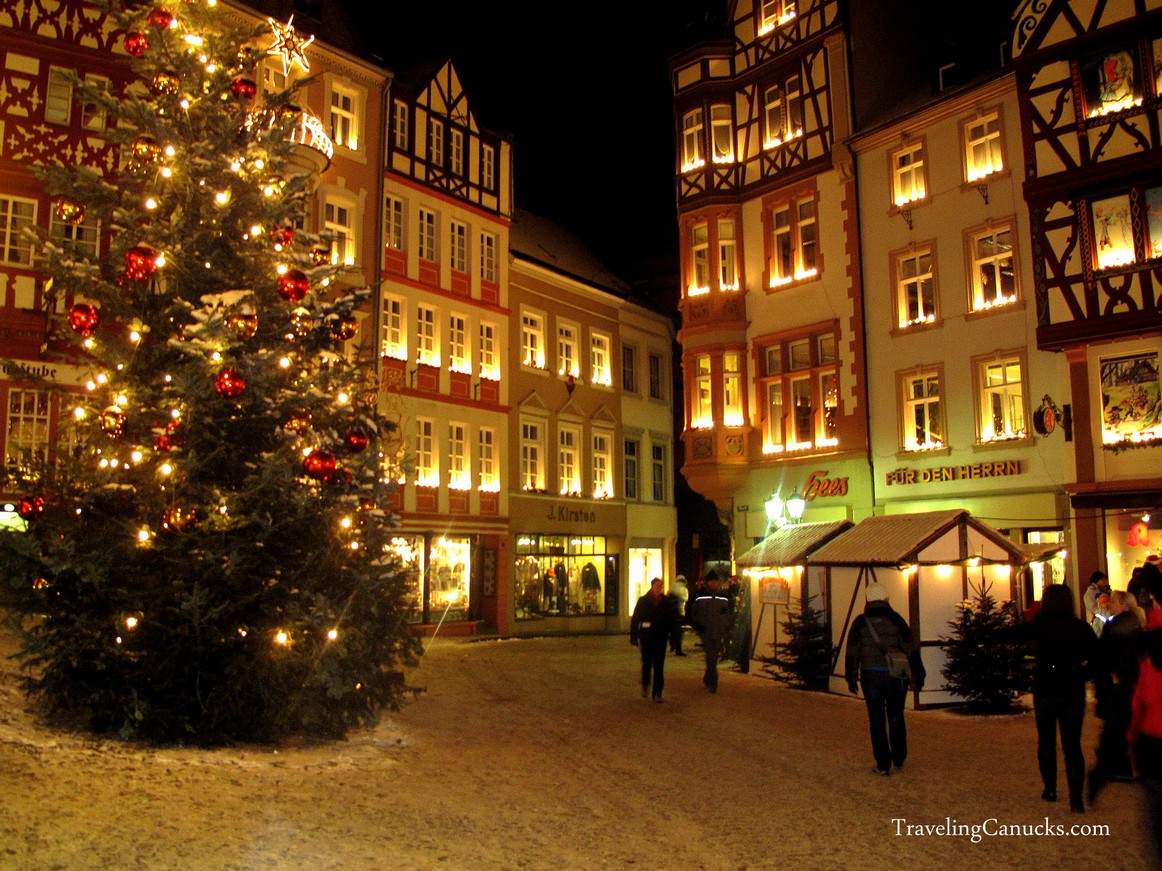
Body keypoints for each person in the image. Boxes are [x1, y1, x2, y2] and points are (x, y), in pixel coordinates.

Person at [1003, 583, 1098, 812]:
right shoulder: (1080, 628)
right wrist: (1081, 674)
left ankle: (1050, 788)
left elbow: (1013, 635)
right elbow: (1098, 658)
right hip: (1072, 688)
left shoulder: (1041, 626)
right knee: (1072, 744)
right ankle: (1076, 797)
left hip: (1045, 686)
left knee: (1046, 740)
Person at [844, 582, 925, 776]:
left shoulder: (860, 622)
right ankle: (898, 757)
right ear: (886, 598)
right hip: (895, 676)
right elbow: (910, 647)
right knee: (896, 715)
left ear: (868, 599)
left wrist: (851, 677)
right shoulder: (896, 619)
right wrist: (918, 673)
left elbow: (852, 652)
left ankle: (882, 763)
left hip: (870, 676)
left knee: (876, 719)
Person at [1088, 589, 1145, 805]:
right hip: (1128, 683)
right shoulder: (1135, 624)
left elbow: (1105, 656)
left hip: (1119, 684)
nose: (1109, 603)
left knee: (1117, 725)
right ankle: (1125, 765)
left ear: (1124, 605)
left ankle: (1113, 767)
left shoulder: (1118, 626)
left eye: (1113, 601)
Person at [1128, 595, 1162, 865]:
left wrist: (1131, 742)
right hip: (1152, 744)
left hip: (1154, 744)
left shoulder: (1148, 668)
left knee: (1157, 811)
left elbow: (1138, 707)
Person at [629, 577, 680, 702]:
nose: (659, 588)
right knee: (646, 663)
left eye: (661, 586)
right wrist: (634, 636)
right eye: (657, 585)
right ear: (652, 586)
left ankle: (657, 691)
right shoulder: (643, 601)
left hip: (660, 637)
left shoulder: (665, 602)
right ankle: (646, 683)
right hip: (646, 637)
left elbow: (672, 621)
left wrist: (674, 639)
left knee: (659, 665)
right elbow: (636, 619)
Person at [690, 570, 731, 693]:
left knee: (713, 657)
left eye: (715, 581)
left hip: (718, 631)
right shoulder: (700, 596)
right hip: (706, 631)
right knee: (711, 656)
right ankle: (713, 682)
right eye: (711, 581)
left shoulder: (723, 597)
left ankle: (708, 678)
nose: (713, 583)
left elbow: (727, 614)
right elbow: (692, 612)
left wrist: (726, 627)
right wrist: (697, 626)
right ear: (707, 582)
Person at [669, 575, 690, 656]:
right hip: (678, 612)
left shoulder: (672, 588)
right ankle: (677, 648)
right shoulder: (682, 589)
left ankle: (674, 645)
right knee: (678, 631)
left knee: (675, 630)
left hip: (675, 612)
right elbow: (685, 599)